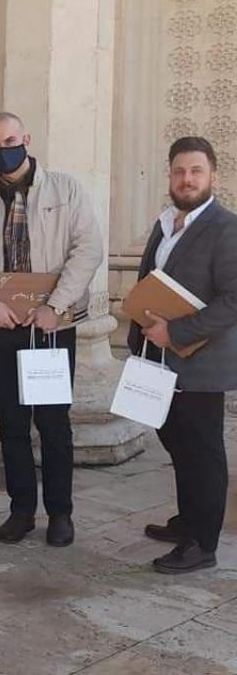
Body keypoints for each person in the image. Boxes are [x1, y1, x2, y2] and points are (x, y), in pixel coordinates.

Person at [0, 111, 102, 547]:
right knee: (13, 425)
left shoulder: (65, 189)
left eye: (9, 141)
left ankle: (60, 513)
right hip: (4, 329)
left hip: (51, 329)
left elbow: (88, 249)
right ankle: (21, 510)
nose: (2, 151)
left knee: (54, 424)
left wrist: (55, 306)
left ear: (26, 138)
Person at [129, 136, 237, 574]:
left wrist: (174, 332)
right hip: (159, 360)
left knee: (202, 452)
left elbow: (233, 300)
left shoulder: (226, 228)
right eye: (179, 171)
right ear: (170, 175)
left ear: (213, 176)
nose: (186, 179)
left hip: (201, 363)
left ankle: (202, 544)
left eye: (195, 171)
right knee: (175, 441)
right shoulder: (166, 224)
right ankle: (189, 520)